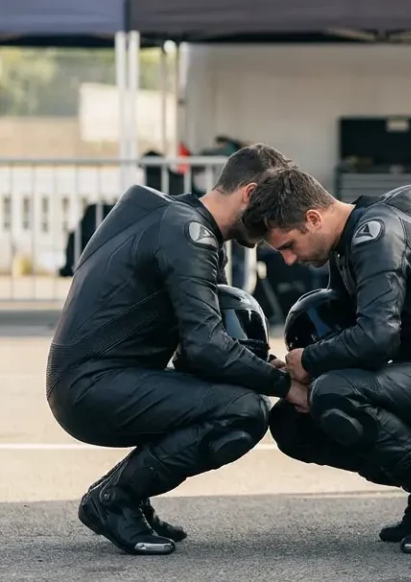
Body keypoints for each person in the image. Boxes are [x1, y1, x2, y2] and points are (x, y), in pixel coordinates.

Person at [46, 144, 309, 556]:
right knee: (242, 411)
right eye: (271, 208)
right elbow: (205, 349)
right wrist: (283, 385)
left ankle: (128, 496)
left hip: (93, 378)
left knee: (227, 396)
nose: (272, 227)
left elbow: (195, 344)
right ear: (249, 193)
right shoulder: (190, 234)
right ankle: (115, 500)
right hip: (92, 387)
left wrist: (260, 364)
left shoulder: (174, 218)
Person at [240, 167, 411, 554]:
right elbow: (351, 331)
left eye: (287, 245)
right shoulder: (348, 241)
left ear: (313, 218)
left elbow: (377, 338)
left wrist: (311, 360)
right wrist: (293, 372)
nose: (287, 260)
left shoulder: (377, 234)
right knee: (292, 423)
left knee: (336, 393)